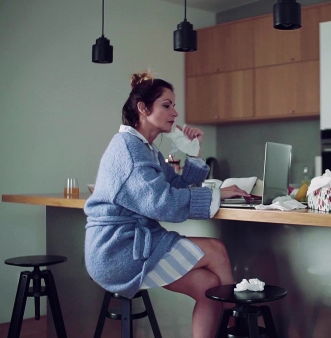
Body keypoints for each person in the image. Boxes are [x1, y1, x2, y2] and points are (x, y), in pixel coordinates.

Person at [84, 71, 249, 338]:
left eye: (174, 105)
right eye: (166, 105)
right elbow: (163, 204)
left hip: (137, 242)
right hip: (118, 249)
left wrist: (192, 153)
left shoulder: (146, 149)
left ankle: (226, 325)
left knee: (208, 286)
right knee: (216, 249)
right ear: (143, 108)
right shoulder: (128, 150)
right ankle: (235, 327)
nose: (175, 112)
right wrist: (218, 194)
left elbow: (176, 188)